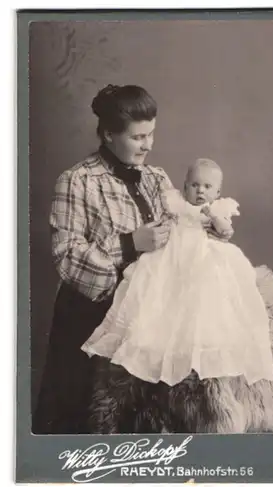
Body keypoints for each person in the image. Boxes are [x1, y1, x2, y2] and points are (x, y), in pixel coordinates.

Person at [32, 85, 230, 434]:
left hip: (149, 317)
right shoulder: (77, 181)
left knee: (145, 421)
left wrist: (209, 230)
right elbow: (66, 257)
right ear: (109, 134)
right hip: (91, 319)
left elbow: (183, 228)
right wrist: (129, 243)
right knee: (84, 424)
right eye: (138, 137)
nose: (148, 145)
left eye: (151, 134)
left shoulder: (157, 179)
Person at [81, 158, 273, 390]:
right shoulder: (177, 205)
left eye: (207, 187)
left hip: (204, 256)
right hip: (173, 254)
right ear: (184, 187)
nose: (200, 190)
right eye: (194, 185)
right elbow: (164, 220)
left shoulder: (215, 209)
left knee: (208, 298)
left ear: (217, 192)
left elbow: (225, 230)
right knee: (162, 296)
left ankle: (201, 351)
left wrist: (215, 218)